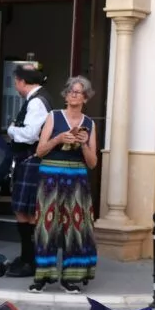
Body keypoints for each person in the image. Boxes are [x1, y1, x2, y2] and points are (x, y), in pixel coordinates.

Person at [30, 76, 99, 293]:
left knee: (76, 227)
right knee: (45, 226)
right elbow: (40, 151)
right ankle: (43, 275)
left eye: (78, 92)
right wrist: (59, 139)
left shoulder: (89, 123)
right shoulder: (53, 116)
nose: (73, 95)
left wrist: (83, 144)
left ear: (85, 97)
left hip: (77, 178)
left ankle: (70, 277)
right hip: (50, 175)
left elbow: (93, 163)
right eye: (70, 91)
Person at [5, 64, 52, 278]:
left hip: (32, 160)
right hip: (28, 161)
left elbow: (31, 134)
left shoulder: (37, 103)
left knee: (30, 213)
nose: (15, 86)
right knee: (22, 211)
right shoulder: (35, 100)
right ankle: (26, 257)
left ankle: (31, 261)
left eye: (16, 82)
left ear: (23, 82)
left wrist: (11, 129)